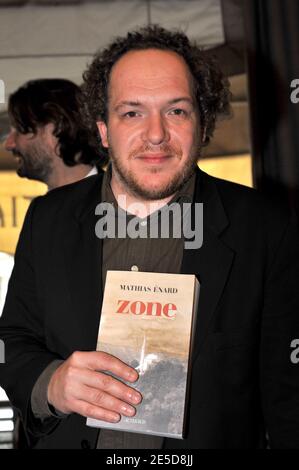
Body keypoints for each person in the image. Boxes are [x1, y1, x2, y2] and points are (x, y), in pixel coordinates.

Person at [0, 25, 299, 449]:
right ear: (103, 130)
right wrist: (51, 384)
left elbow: (288, 398)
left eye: (176, 111)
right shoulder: (48, 219)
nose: (156, 134)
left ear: (202, 122)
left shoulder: (263, 228)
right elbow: (11, 342)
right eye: (132, 112)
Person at [4, 79, 103, 190]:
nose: (8, 144)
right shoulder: (40, 206)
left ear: (54, 130)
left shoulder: (117, 201)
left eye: (18, 129)